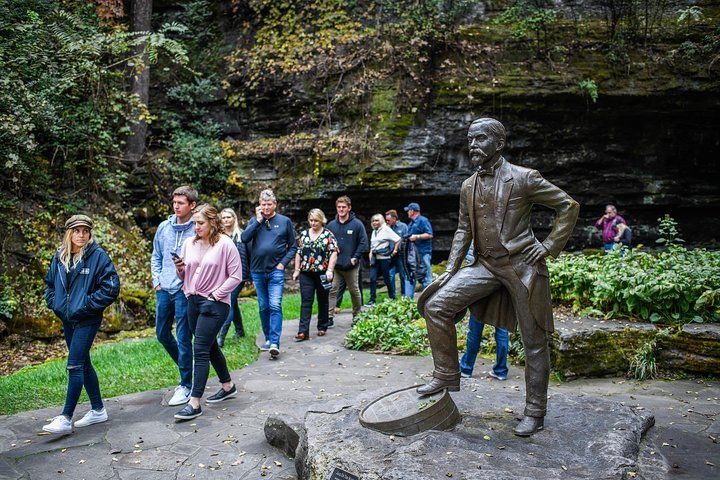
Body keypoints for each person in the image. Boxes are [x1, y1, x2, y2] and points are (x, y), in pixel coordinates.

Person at [416, 118, 579, 437]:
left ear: (499, 144)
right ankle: (447, 374)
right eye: (469, 139)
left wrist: (548, 246)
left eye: (479, 139)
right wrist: (450, 269)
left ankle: (535, 412)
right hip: (484, 265)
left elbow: (568, 206)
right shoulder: (467, 186)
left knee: (534, 341)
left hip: (521, 267)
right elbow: (464, 230)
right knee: (435, 307)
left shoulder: (524, 178)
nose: (472, 145)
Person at [42, 215, 120, 434]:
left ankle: (66, 417)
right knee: (83, 363)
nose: (81, 235)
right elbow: (49, 284)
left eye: (85, 231)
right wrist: (55, 303)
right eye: (77, 231)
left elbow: (111, 287)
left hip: (87, 318)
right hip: (68, 319)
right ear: (69, 233)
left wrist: (86, 305)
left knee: (74, 364)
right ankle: (98, 410)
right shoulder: (60, 256)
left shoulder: (98, 256)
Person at [172, 204, 242, 420]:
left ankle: (194, 402)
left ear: (213, 222)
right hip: (192, 301)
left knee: (200, 348)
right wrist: (180, 268)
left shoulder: (226, 244)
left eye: (200, 223)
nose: (196, 227)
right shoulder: (189, 243)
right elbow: (185, 275)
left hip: (215, 303)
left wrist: (216, 294)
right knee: (210, 346)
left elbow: (236, 276)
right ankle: (228, 386)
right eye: (194, 223)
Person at [151, 186, 197, 407]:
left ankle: (186, 384)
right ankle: (187, 366)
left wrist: (187, 285)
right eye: (174, 202)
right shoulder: (163, 227)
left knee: (184, 337)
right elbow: (156, 256)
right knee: (161, 334)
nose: (176, 206)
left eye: (181, 203)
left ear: (192, 205)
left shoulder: (196, 230)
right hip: (164, 289)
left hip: (183, 291)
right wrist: (157, 281)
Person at [241, 189, 297, 358]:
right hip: (257, 271)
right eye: (263, 204)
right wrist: (258, 221)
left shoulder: (284, 221)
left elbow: (293, 246)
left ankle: (274, 342)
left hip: (275, 271)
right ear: (259, 205)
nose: (266, 207)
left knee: (274, 305)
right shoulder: (254, 221)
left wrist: (282, 264)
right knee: (263, 306)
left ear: (275, 204)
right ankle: (268, 337)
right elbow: (244, 238)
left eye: (269, 204)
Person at [459, 246, 509, 380]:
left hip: (480, 285)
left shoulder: (480, 231)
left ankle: (466, 368)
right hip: (502, 286)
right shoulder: (506, 233)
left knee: (474, 331)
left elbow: (469, 260)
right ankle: (501, 370)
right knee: (502, 331)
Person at [292, 209, 339, 340]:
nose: (313, 223)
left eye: (316, 221)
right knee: (306, 301)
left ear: (321, 220)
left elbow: (334, 252)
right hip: (306, 273)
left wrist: (330, 270)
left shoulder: (328, 235)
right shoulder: (303, 235)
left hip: (323, 273)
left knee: (323, 300)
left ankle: (322, 326)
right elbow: (298, 253)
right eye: (311, 220)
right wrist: (296, 270)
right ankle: (303, 331)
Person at [327, 196, 368, 326]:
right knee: (332, 290)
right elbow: (326, 243)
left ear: (349, 208)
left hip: (351, 265)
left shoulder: (357, 224)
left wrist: (355, 257)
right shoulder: (331, 225)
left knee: (354, 291)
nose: (341, 209)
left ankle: (356, 316)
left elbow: (363, 243)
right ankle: (329, 317)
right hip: (336, 266)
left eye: (343, 207)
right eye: (339, 207)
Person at [216, 208, 250, 347]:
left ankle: (221, 337)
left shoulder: (242, 235)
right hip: (223, 275)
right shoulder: (218, 236)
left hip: (239, 275)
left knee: (229, 300)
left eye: (229, 217)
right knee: (233, 302)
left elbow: (250, 255)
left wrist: (252, 276)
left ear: (234, 218)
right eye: (223, 218)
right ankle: (240, 330)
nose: (226, 220)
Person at [366, 214, 401, 306]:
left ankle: (392, 297)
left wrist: (395, 250)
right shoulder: (374, 231)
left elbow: (398, 239)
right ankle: (372, 300)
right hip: (374, 258)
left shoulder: (386, 229)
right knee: (373, 278)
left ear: (381, 221)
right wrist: (370, 255)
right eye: (373, 220)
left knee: (386, 279)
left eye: (377, 220)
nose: (375, 222)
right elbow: (372, 246)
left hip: (384, 258)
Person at [404, 202, 434, 297]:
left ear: (412, 211)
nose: (407, 212)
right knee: (410, 275)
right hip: (413, 256)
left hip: (424, 253)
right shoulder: (411, 224)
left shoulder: (423, 221)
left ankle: (428, 299)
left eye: (408, 210)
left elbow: (429, 234)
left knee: (426, 276)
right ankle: (408, 301)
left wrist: (416, 236)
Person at [385, 209, 408, 297]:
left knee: (402, 275)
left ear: (394, 219)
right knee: (390, 276)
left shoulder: (403, 226)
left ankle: (404, 294)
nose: (387, 222)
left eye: (388, 220)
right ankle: (392, 296)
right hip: (390, 255)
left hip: (401, 255)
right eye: (386, 220)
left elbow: (406, 240)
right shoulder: (386, 227)